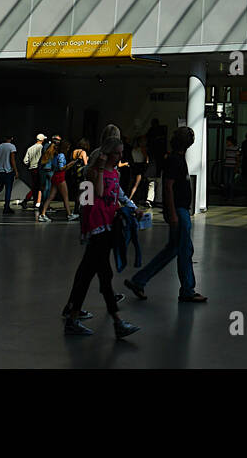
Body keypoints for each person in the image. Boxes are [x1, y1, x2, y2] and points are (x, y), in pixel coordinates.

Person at [61, 128, 140, 338]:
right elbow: (95, 194)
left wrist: (130, 208)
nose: (121, 157)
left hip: (106, 225)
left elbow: (114, 196)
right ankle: (113, 320)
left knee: (90, 274)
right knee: (100, 275)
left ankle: (75, 313)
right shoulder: (95, 169)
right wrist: (86, 224)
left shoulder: (115, 171)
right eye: (118, 153)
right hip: (97, 228)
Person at [125, 126, 206, 304]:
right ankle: (187, 290)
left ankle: (140, 280)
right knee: (183, 250)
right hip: (179, 211)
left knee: (176, 249)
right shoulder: (175, 160)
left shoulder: (176, 159)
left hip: (179, 211)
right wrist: (173, 214)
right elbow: (168, 187)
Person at [37, 139, 77, 222]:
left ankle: (42, 214)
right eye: (68, 147)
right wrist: (70, 164)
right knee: (65, 197)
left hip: (55, 175)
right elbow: (61, 168)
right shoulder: (61, 155)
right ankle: (69, 214)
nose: (68, 149)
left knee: (51, 196)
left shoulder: (55, 154)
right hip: (60, 176)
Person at [0, 134, 18, 214]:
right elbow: (12, 159)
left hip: (0, 171)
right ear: (12, 138)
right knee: (8, 190)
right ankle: (6, 207)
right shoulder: (12, 147)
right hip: (8, 171)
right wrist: (16, 170)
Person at [23, 134, 46, 211]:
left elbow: (25, 161)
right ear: (42, 140)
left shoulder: (30, 148)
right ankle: (28, 200)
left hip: (32, 168)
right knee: (39, 187)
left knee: (35, 186)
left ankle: (34, 201)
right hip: (39, 168)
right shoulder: (42, 148)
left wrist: (30, 163)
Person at [127, 134, 148, 204]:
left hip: (134, 165)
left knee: (132, 183)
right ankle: (130, 198)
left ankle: (131, 198)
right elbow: (146, 159)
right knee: (137, 184)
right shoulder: (142, 149)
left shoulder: (133, 149)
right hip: (140, 166)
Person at [221, 136, 239, 202]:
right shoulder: (227, 148)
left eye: (228, 141)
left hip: (232, 166)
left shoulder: (236, 148)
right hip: (227, 165)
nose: (227, 142)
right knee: (226, 182)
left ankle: (230, 196)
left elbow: (237, 158)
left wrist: (237, 167)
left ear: (231, 142)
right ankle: (227, 196)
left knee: (230, 182)